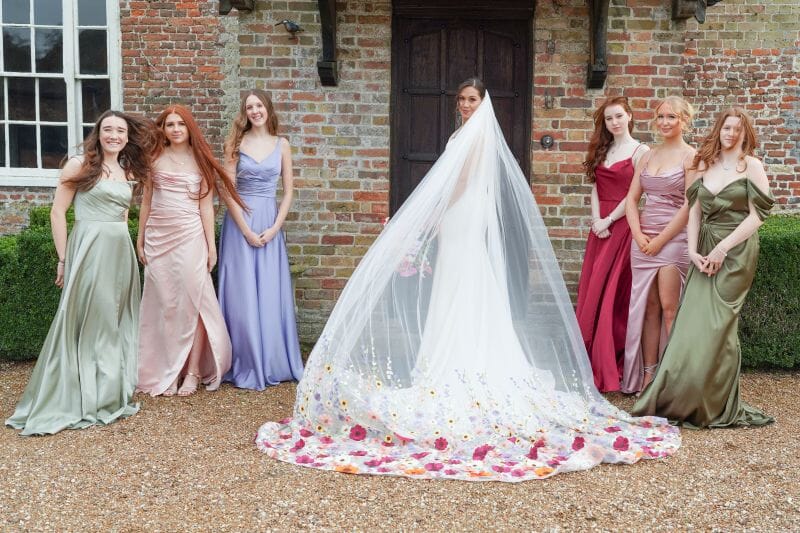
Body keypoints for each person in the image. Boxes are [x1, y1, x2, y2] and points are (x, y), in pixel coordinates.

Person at [253, 78, 680, 482]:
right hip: (459, 219)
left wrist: (431, 214)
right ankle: (444, 356)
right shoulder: (464, 134)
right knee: (452, 282)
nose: (465, 104)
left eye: (472, 99)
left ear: (483, 102)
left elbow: (457, 182)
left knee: (463, 279)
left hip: (461, 214)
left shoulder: (475, 137)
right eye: (461, 99)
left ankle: (463, 358)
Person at [6, 110, 153, 435]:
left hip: (119, 251)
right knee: (91, 318)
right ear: (98, 133)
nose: (114, 135)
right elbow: (58, 212)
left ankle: (109, 391)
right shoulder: (78, 164)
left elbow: (123, 213)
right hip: (89, 249)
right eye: (108, 130)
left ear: (127, 137)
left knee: (114, 320)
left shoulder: (126, 169)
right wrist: (63, 258)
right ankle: (84, 397)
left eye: (120, 131)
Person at [633, 108, 774, 428]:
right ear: (719, 130)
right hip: (703, 249)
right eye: (726, 127)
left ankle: (716, 403)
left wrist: (724, 248)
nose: (731, 133)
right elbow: (694, 211)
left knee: (718, 326)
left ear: (745, 133)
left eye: (737, 129)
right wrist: (694, 251)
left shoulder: (752, 166)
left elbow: (758, 215)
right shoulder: (705, 164)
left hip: (736, 253)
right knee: (691, 323)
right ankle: (683, 398)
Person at [136, 105, 243, 397]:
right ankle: (170, 369)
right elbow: (145, 202)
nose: (175, 129)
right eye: (169, 124)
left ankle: (193, 371)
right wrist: (140, 238)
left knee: (193, 302)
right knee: (166, 305)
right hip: (159, 238)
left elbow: (206, 206)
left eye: (180, 124)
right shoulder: (153, 159)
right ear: (163, 129)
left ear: (189, 128)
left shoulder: (200, 161)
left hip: (190, 237)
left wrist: (211, 246)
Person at [218, 89, 303, 390]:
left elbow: (289, 190)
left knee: (268, 289)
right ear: (244, 112)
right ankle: (244, 359)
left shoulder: (282, 145)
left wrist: (276, 227)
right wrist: (245, 230)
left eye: (259, 105)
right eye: (249, 106)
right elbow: (227, 191)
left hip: (269, 220)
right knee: (240, 292)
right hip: (241, 223)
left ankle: (273, 360)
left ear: (268, 108)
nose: (254, 111)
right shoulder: (235, 145)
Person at [621, 96, 695, 394]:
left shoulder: (692, 157)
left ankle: (673, 377)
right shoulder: (647, 156)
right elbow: (631, 200)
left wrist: (661, 240)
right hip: (644, 239)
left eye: (672, 117)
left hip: (672, 240)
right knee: (648, 308)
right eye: (661, 116)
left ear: (684, 121)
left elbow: (690, 205)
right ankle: (649, 374)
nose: (665, 122)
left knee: (669, 308)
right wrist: (639, 237)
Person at [576, 96, 648, 392]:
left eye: (619, 116)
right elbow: (595, 187)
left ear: (629, 116)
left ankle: (612, 360)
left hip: (623, 226)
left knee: (614, 295)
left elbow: (636, 194)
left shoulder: (641, 151)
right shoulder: (601, 149)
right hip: (600, 228)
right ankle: (586, 357)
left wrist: (609, 221)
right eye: (609, 119)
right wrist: (596, 219)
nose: (614, 122)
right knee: (593, 291)